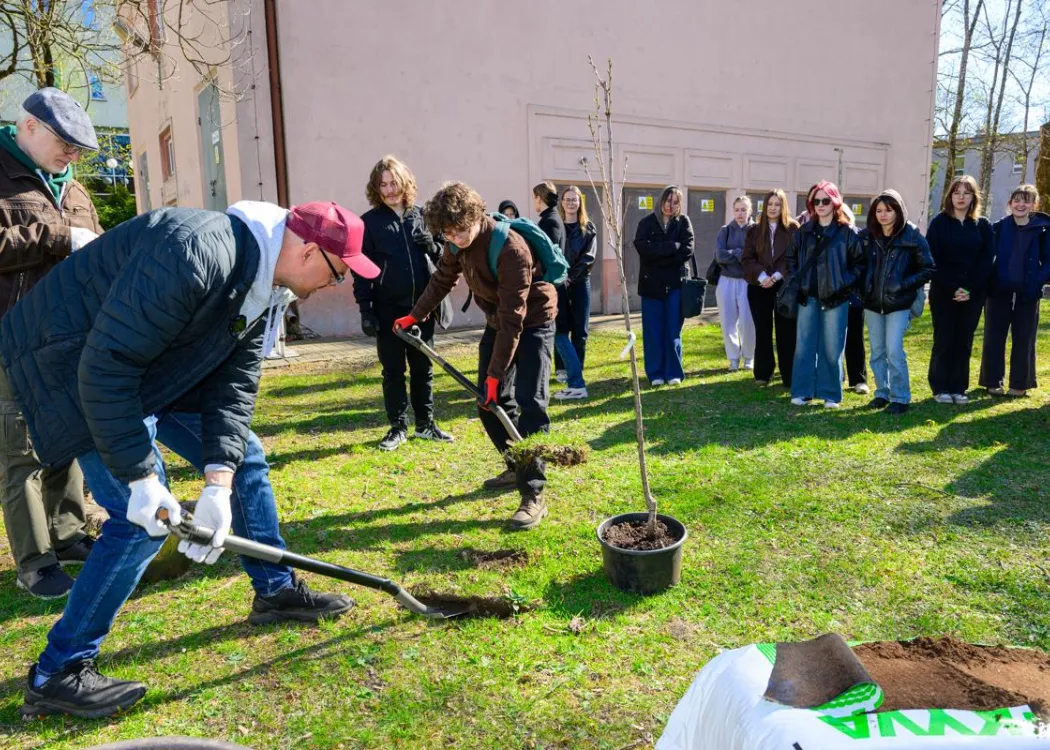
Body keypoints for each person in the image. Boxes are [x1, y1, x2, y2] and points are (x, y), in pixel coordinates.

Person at [3, 200, 376, 718]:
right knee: (142, 523)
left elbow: (234, 388)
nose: (331, 287)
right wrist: (139, 476)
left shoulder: (264, 281)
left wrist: (218, 485)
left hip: (151, 366)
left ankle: (274, 590)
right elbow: (106, 366)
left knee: (241, 454)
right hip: (66, 364)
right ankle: (57, 672)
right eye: (337, 274)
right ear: (310, 251)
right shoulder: (194, 252)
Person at [394, 182, 557, 530]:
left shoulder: (510, 249)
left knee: (530, 406)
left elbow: (516, 319)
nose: (454, 238)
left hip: (532, 323)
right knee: (487, 404)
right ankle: (517, 467)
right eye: (447, 233)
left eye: (459, 230)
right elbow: (442, 280)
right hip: (501, 321)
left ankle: (533, 494)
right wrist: (415, 315)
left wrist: (497, 375)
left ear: (476, 216)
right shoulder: (456, 242)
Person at [0, 88, 103, 599]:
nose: (73, 155)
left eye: (79, 149)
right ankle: (35, 561)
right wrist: (56, 237)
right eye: (66, 143)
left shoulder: (76, 189)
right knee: (20, 452)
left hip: (69, 339)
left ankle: (67, 534)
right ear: (29, 127)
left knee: (67, 439)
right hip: (12, 338)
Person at [354, 156, 453, 450]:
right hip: (388, 311)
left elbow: (445, 262)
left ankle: (426, 424)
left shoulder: (423, 216)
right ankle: (398, 427)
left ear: (405, 183)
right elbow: (362, 271)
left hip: (423, 308)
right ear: (376, 188)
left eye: (393, 183)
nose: (389, 190)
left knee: (424, 370)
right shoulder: (369, 224)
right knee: (393, 371)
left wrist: (432, 246)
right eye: (383, 184)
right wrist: (366, 310)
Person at [788, 180, 865, 408]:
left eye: (825, 200)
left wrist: (842, 284)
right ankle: (802, 391)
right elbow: (791, 258)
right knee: (804, 346)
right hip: (807, 297)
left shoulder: (847, 232)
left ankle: (831, 393)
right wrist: (798, 280)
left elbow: (860, 264)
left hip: (836, 299)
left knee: (832, 348)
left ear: (835, 202)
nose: (820, 205)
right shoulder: (804, 231)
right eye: (816, 201)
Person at [858, 190, 935, 414]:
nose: (883, 215)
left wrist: (902, 284)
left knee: (894, 350)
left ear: (898, 211)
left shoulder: (911, 236)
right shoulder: (868, 237)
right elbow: (858, 266)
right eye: (879, 210)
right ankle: (882, 392)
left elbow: (928, 268)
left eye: (888, 210)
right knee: (878, 351)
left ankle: (900, 397)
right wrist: (864, 289)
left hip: (899, 303)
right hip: (873, 303)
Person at [925, 175, 995, 404]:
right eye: (956, 193)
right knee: (944, 339)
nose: (961, 197)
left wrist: (969, 288)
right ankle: (940, 387)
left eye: (966, 193)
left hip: (973, 294)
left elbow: (987, 260)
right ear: (950, 196)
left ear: (973, 197)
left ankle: (958, 388)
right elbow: (931, 259)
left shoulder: (983, 225)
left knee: (963, 340)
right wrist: (953, 287)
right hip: (944, 292)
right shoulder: (939, 223)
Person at [979, 184, 1050, 398]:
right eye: (1017, 200)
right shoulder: (998, 227)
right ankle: (992, 382)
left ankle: (1020, 384)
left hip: (1028, 294)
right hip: (998, 292)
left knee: (1024, 338)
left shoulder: (1043, 229)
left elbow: (1048, 262)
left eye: (1026, 200)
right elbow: (985, 256)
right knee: (994, 337)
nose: (1021, 204)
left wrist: (1037, 281)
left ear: (1033, 204)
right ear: (1010, 203)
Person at [633, 185, 695, 386]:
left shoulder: (683, 223)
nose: (670, 205)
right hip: (651, 286)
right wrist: (670, 247)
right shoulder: (646, 223)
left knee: (673, 330)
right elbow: (643, 248)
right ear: (661, 200)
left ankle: (673, 372)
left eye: (675, 202)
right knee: (653, 331)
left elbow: (686, 250)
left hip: (675, 285)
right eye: (668, 200)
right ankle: (655, 373)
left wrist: (659, 254)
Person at [741, 189, 798, 387]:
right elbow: (747, 259)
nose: (773, 208)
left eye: (777, 204)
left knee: (786, 332)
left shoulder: (793, 229)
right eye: (770, 204)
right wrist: (762, 275)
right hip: (759, 286)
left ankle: (789, 375)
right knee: (763, 331)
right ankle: (763, 373)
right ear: (764, 206)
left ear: (783, 207)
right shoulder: (754, 231)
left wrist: (778, 274)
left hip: (785, 286)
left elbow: (795, 257)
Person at [552, 186, 596, 400]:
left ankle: (577, 371)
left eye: (575, 199)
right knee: (560, 328)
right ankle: (562, 369)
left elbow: (589, 257)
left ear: (580, 203)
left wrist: (572, 277)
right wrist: (561, 277)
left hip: (580, 283)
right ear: (561, 202)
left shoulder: (588, 228)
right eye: (567, 199)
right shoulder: (556, 226)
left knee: (580, 331)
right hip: (558, 284)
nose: (571, 203)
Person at [714, 196, 756, 371]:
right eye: (737, 210)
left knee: (748, 321)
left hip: (747, 281)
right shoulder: (725, 231)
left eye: (743, 210)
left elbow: (755, 255)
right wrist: (741, 254)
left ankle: (749, 356)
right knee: (728, 321)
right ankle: (733, 357)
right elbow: (719, 256)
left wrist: (733, 252)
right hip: (726, 280)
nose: (740, 214)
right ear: (733, 211)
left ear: (750, 211)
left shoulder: (755, 231)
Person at [533, 182, 567, 382]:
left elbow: (550, 256)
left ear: (540, 198)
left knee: (558, 335)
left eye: (534, 198)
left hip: (551, 284)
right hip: (550, 283)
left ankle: (567, 373)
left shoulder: (551, 221)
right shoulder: (549, 218)